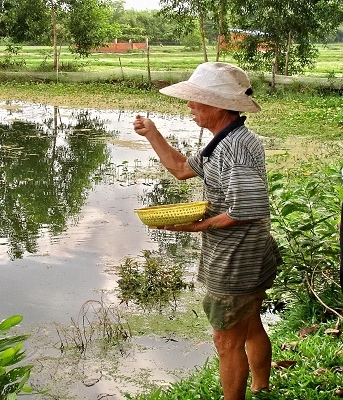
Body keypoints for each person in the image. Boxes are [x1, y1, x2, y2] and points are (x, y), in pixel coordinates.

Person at [133, 62, 282, 400]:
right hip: (253, 252)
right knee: (250, 323)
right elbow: (182, 169)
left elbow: (246, 210)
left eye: (195, 100)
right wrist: (153, 133)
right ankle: (261, 388)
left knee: (225, 340)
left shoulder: (236, 147)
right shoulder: (221, 141)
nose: (190, 107)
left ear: (216, 105)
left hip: (237, 258)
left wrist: (196, 226)